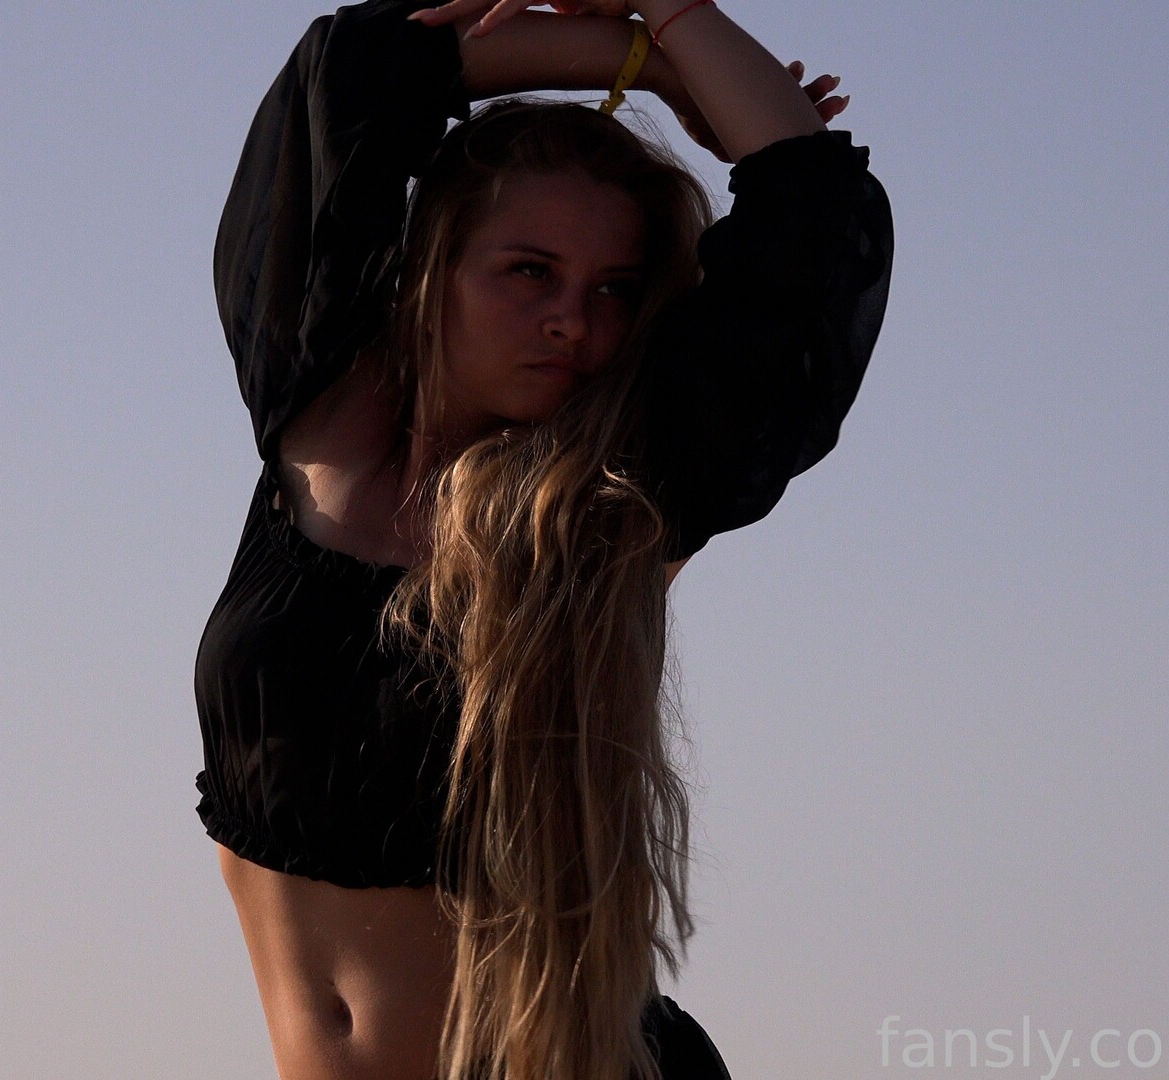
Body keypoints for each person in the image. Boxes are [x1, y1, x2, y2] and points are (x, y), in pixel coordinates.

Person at [192, 1, 893, 1077]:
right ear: (434, 264)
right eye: (530, 270)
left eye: (614, 290)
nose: (574, 320)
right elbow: (351, 86)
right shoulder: (317, 422)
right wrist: (643, 70)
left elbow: (814, 210)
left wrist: (676, 14)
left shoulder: (618, 497)